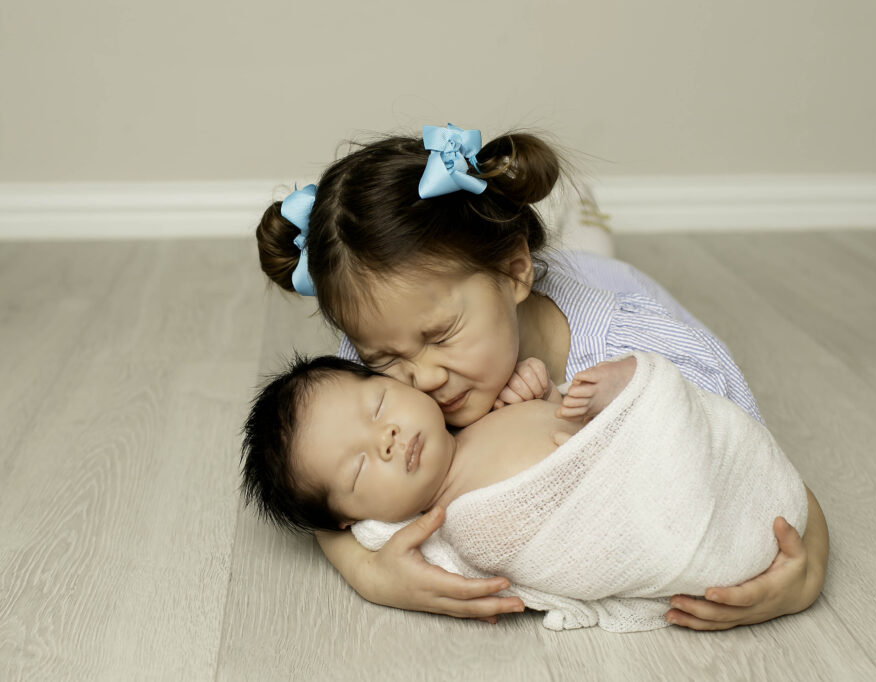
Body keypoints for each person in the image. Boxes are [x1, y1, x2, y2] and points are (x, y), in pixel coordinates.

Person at [254, 123, 829, 629]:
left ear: (513, 272)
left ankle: (584, 220)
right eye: (384, 360)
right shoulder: (379, 371)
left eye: (439, 336)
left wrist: (807, 572)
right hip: (528, 288)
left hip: (610, 283)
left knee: (592, 255)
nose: (420, 377)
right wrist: (368, 571)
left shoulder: (650, 351)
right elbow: (316, 474)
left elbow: (751, 461)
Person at [241, 351, 810, 631]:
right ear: (355, 521)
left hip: (661, 456)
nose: (387, 439)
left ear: (398, 381)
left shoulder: (482, 411)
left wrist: (553, 392)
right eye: (359, 469)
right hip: (633, 513)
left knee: (646, 381)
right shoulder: (447, 525)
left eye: (379, 406)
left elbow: (571, 406)